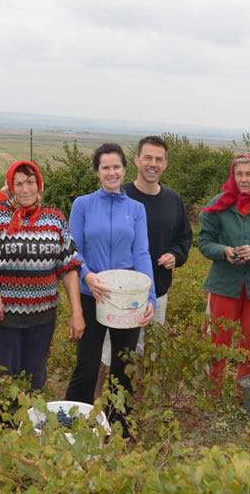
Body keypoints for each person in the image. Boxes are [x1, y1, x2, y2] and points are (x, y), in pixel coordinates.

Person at [0, 160, 84, 397]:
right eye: (19, 183)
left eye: (30, 182)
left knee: (33, 387)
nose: (25, 189)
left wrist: (77, 312)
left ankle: (29, 432)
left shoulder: (54, 219)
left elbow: (69, 265)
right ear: (10, 187)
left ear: (39, 185)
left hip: (40, 323)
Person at [64, 143, 155, 437]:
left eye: (116, 167)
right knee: (88, 367)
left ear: (125, 169)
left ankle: (118, 429)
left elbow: (142, 253)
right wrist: (87, 276)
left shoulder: (136, 209)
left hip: (126, 299)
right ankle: (71, 425)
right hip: (93, 296)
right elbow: (72, 249)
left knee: (122, 366)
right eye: (106, 167)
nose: (112, 172)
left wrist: (148, 297)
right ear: (97, 171)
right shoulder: (83, 205)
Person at [97, 136, 192, 392]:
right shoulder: (119, 195)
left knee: (148, 353)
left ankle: (136, 408)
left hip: (157, 292)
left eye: (159, 159)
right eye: (147, 158)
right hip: (118, 293)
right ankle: (97, 409)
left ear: (165, 165)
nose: (153, 164)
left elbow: (184, 238)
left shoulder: (173, 201)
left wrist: (176, 254)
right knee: (108, 355)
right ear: (137, 160)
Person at [198, 154, 250, 391]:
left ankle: (243, 394)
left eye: (249, 174)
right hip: (223, 284)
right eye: (239, 174)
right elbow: (204, 242)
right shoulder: (218, 205)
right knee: (217, 341)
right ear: (232, 177)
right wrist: (223, 250)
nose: (244, 179)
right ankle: (212, 393)